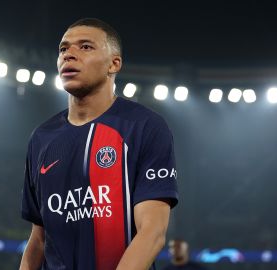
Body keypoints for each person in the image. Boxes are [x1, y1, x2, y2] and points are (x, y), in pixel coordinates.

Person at [20, 17, 179, 270]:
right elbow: (37, 240)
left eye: (85, 47)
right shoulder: (41, 138)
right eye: (63, 48)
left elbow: (152, 233)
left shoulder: (144, 126)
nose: (68, 55)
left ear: (114, 64)